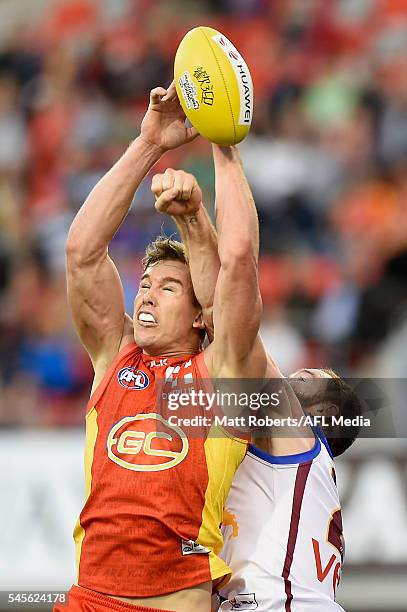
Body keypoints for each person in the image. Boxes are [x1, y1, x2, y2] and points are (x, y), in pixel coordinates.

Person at [56, 83, 267, 612]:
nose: (145, 293)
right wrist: (149, 142)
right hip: (86, 598)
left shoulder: (225, 371)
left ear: (200, 315)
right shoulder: (115, 355)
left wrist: (224, 144)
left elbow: (237, 263)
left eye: (168, 287)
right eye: (145, 282)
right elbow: (82, 252)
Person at [155, 166, 362, 611]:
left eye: (303, 381)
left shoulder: (297, 436)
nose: (288, 378)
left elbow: (228, 310)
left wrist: (196, 218)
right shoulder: (283, 466)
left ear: (318, 417)